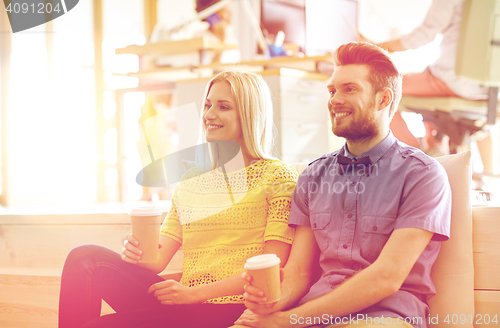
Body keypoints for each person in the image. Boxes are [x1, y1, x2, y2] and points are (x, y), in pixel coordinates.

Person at [234, 42, 451, 328]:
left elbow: (386, 278)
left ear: (383, 99)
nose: (334, 99)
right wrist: (271, 301)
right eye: (332, 90)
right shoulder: (313, 176)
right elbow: (298, 273)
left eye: (349, 89)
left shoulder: (422, 175)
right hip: (311, 314)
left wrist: (287, 321)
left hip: (385, 316)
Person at [58, 71, 298, 328]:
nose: (209, 114)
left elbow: (272, 269)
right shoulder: (192, 180)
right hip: (188, 303)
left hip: (236, 307)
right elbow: (158, 260)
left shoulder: (277, 177)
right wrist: (138, 252)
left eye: (223, 106)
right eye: (207, 105)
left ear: (249, 115)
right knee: (84, 259)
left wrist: (196, 294)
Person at [362, 0, 488, 154]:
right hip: (488, 92)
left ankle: (417, 161)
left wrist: (375, 48)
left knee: (378, 92)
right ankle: (486, 172)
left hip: (452, 82)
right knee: (427, 103)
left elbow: (422, 36)